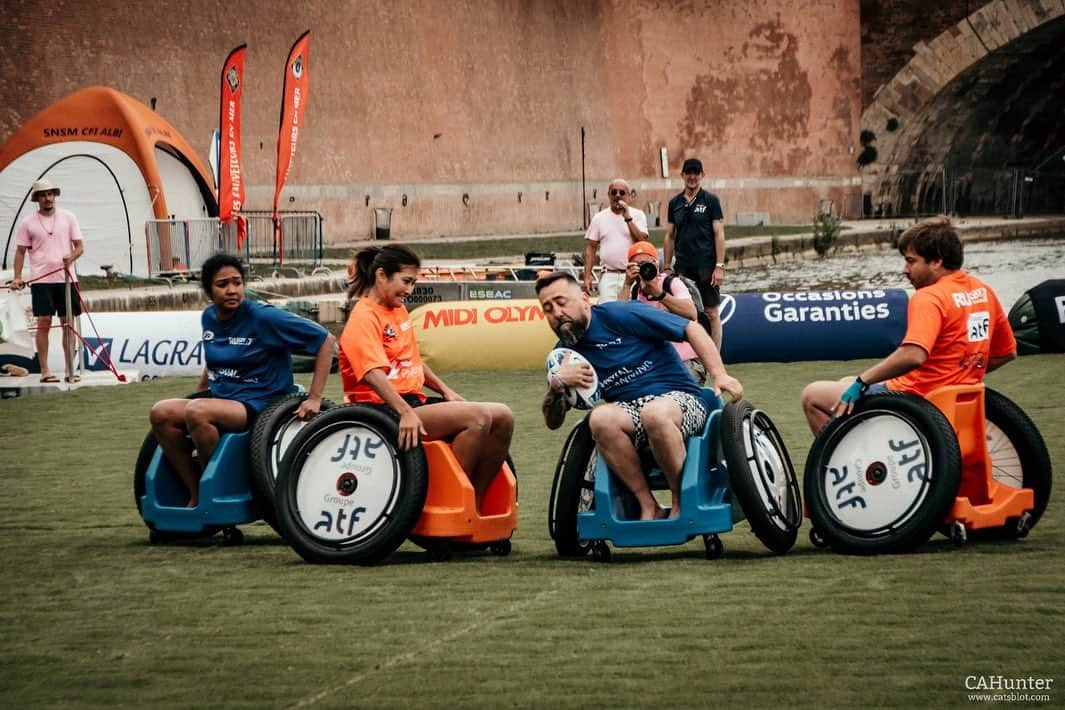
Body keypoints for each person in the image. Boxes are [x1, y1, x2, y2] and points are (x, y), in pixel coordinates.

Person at [537, 272, 742, 520]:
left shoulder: (620, 314)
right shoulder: (564, 357)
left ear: (584, 298)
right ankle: (648, 504)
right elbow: (552, 422)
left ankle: (681, 502)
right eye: (547, 309)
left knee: (654, 413)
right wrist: (557, 385)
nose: (557, 314)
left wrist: (719, 374)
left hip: (681, 399)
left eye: (561, 302)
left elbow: (692, 328)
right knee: (600, 418)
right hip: (629, 412)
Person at [801, 216, 1017, 435]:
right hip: (956, 398)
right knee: (845, 383)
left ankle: (852, 464)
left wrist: (863, 380)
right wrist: (963, 372)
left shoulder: (929, 297)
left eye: (911, 261)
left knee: (813, 396)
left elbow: (913, 355)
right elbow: (1007, 353)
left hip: (919, 399)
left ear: (936, 261)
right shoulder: (982, 291)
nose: (905, 270)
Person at [149, 253, 335, 507]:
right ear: (209, 291)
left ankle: (214, 489)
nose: (231, 290)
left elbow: (326, 341)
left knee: (197, 412)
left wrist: (315, 398)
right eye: (222, 285)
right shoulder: (209, 317)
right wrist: (201, 390)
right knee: (161, 413)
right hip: (224, 399)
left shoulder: (263, 317)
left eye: (237, 282)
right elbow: (214, 357)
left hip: (262, 402)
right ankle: (195, 490)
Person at [340, 244, 514, 508]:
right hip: (379, 411)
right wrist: (405, 412)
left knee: (502, 416)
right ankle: (446, 503)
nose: (410, 291)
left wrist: (445, 391)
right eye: (406, 282)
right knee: (476, 418)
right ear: (382, 275)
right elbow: (372, 374)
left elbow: (413, 362)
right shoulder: (363, 318)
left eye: (413, 282)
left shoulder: (397, 310)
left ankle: (474, 503)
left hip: (411, 403)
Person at [10, 178, 84, 383]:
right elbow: (20, 251)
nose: (48, 198)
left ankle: (70, 369)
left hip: (66, 279)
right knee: (43, 322)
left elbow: (79, 246)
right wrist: (17, 277)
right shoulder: (27, 222)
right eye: (43, 195)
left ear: (55, 195)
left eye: (50, 194)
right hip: (41, 281)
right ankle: (45, 370)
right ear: (37, 199)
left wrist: (72, 257)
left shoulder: (69, 217)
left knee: (68, 324)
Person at [621, 240, 706, 385]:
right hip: (652, 364)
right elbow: (619, 318)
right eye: (637, 265)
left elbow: (691, 313)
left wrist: (658, 293)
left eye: (646, 263)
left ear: (656, 264)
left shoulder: (671, 283)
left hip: (684, 360)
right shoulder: (634, 291)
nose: (643, 269)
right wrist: (627, 283)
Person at [663, 158, 727, 348]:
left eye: (696, 173)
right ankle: (688, 358)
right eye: (688, 173)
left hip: (707, 265)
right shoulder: (675, 203)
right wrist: (667, 266)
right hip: (683, 267)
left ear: (702, 175)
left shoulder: (711, 201)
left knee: (712, 313)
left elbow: (719, 233)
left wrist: (719, 266)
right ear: (682, 175)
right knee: (684, 313)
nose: (692, 177)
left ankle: (715, 359)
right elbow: (670, 236)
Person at [583, 178, 649, 303]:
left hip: (632, 274)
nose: (617, 195)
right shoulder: (599, 218)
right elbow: (591, 248)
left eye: (622, 192)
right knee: (608, 312)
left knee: (630, 312)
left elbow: (642, 241)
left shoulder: (638, 215)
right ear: (609, 195)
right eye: (614, 192)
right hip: (609, 274)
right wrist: (587, 276)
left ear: (628, 196)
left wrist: (628, 218)